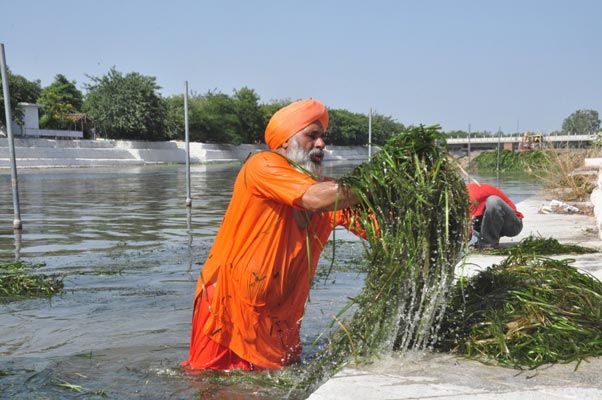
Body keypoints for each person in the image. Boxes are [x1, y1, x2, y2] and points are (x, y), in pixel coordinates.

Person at [182, 99, 365, 371]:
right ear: (284, 143)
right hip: (227, 309)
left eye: (322, 137)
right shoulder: (262, 166)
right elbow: (314, 199)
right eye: (311, 136)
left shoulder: (330, 193)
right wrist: (376, 182)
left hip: (280, 316)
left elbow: (375, 226)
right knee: (214, 385)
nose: (322, 144)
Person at [466, 182, 524, 249]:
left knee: (493, 201)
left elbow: (468, 231)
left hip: (511, 225)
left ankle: (487, 244)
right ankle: (485, 240)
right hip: (491, 223)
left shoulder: (471, 196)